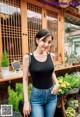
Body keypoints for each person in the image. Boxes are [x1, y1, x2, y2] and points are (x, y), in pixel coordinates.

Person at [23, 29, 59, 117]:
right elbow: (25, 80)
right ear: (37, 40)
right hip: (36, 98)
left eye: (49, 42)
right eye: (43, 40)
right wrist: (26, 101)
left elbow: (52, 72)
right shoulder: (28, 57)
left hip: (52, 96)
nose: (46, 44)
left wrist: (57, 83)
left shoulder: (51, 56)